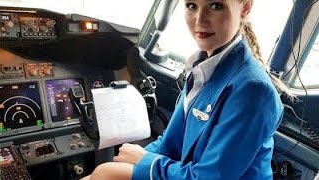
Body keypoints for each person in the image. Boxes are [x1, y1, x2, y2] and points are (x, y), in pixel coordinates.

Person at [84, 0, 293, 179]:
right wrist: (137, 159)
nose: (200, 20)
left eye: (215, 5)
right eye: (192, 5)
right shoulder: (203, 66)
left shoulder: (253, 91)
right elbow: (170, 143)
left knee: (104, 173)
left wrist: (145, 161)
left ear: (245, 7)